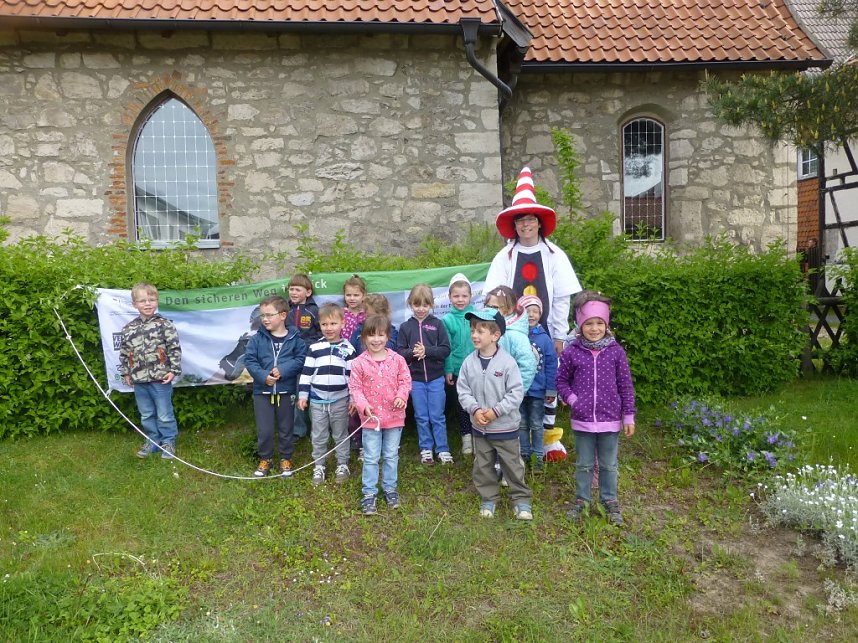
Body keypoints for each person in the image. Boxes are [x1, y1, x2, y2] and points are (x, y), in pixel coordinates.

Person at [556, 291, 636, 526]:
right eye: (588, 323)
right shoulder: (572, 352)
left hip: (610, 420)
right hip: (582, 420)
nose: (594, 328)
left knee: (610, 464)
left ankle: (610, 502)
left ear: (606, 324)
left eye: (599, 323)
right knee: (584, 464)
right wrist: (572, 400)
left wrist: (628, 415)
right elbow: (561, 380)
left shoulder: (616, 352)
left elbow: (625, 385)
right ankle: (582, 500)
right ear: (580, 325)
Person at [485, 166, 582, 356]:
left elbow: (562, 300)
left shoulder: (555, 255)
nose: (525, 224)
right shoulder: (504, 257)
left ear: (539, 223)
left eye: (530, 219)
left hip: (546, 335)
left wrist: (559, 336)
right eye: (520, 220)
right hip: (511, 335)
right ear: (514, 225)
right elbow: (494, 300)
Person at [457, 309, 532, 520]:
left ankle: (521, 500)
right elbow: (463, 391)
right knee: (483, 465)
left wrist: (495, 411)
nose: (474, 335)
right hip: (479, 428)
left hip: (505, 427)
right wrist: (475, 409)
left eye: (480, 330)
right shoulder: (468, 363)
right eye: (472, 330)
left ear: (495, 335)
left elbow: (516, 393)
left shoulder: (508, 363)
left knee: (513, 465)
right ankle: (489, 498)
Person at [349, 315, 412, 516]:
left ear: (388, 337)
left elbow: (405, 381)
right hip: (371, 420)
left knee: (391, 455)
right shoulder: (359, 363)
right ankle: (369, 493)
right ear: (364, 337)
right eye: (371, 335)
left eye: (381, 335)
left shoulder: (398, 359)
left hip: (394, 418)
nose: (376, 339)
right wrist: (363, 405)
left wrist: (402, 396)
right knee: (371, 457)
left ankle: (390, 489)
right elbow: (355, 388)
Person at [245, 295, 307, 477]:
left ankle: (285, 458)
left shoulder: (295, 338)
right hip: (262, 392)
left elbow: (301, 359)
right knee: (264, 429)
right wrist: (264, 376)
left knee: (287, 428)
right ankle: (265, 459)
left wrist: (283, 370)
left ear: (282, 315)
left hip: (286, 391)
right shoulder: (257, 339)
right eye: (262, 315)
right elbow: (250, 360)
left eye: (269, 315)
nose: (265, 319)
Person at [120, 283, 182, 460]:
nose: (147, 304)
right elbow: (125, 353)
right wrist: (126, 373)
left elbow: (174, 349)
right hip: (139, 380)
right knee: (146, 414)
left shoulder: (165, 325)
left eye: (151, 300)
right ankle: (152, 441)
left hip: (160, 379)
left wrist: (173, 370)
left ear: (157, 301)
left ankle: (168, 442)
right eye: (142, 301)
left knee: (164, 414)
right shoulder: (128, 328)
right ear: (134, 304)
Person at [297, 303, 357, 486]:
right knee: (319, 434)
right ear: (320, 325)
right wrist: (303, 395)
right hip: (317, 400)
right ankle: (319, 465)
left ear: (342, 324)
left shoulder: (349, 349)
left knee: (340, 433)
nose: (328, 328)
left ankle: (342, 464)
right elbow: (306, 373)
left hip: (340, 400)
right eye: (324, 324)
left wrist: (353, 397)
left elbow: (352, 377)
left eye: (333, 324)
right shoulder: (314, 348)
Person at [397, 283, 453, 465]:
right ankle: (426, 449)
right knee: (421, 416)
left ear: (432, 305)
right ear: (410, 304)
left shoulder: (438, 324)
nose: (421, 309)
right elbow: (399, 353)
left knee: (437, 416)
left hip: (436, 379)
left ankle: (443, 449)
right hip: (416, 380)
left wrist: (427, 351)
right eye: (416, 305)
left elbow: (445, 350)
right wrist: (415, 353)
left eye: (425, 305)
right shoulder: (405, 327)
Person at [348, 293, 399, 459]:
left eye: (370, 314)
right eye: (366, 314)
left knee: (387, 413)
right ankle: (362, 443)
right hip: (362, 378)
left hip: (384, 381)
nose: (367, 317)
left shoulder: (391, 332)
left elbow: (391, 353)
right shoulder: (359, 330)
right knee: (361, 410)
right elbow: (352, 352)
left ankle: (388, 444)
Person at [517, 294, 557, 470]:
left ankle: (538, 457)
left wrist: (551, 390)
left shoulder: (544, 338)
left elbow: (551, 365)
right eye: (527, 311)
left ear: (541, 314)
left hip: (538, 391)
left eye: (535, 311)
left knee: (536, 424)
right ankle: (525, 454)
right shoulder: (515, 336)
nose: (531, 315)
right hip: (518, 391)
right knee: (521, 424)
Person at [442, 272, 477, 457]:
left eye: (464, 296)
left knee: (478, 402)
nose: (460, 299)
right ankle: (466, 438)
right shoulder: (446, 320)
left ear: (471, 296)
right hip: (457, 370)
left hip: (477, 369)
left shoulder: (476, 316)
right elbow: (446, 347)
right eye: (456, 296)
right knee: (462, 404)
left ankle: (480, 436)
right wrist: (448, 369)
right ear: (449, 297)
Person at [287, 273, 322, 439]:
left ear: (308, 292)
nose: (293, 292)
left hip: (308, 359)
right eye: (291, 289)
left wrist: (307, 347)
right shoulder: (285, 310)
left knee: (309, 394)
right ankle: (298, 431)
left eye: (297, 289)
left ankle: (317, 430)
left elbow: (322, 334)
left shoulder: (314, 310)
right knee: (293, 395)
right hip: (289, 360)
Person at [483, 286, 537, 391]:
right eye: (487, 306)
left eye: (494, 307)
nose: (488, 310)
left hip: (506, 396)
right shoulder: (486, 327)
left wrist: (515, 393)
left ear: (510, 309)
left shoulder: (515, 335)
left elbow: (528, 366)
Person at [341, 274, 367, 342]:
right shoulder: (341, 314)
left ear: (363, 296)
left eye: (356, 295)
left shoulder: (367, 313)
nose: (352, 298)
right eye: (348, 295)